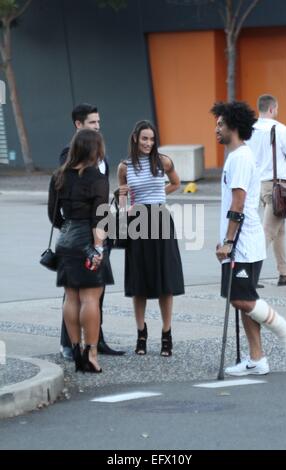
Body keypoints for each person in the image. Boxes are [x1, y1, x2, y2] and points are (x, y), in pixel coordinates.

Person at [211, 100, 286, 376]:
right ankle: (257, 359)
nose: (216, 128)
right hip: (243, 242)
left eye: (221, 124)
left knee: (241, 300)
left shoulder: (240, 157)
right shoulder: (236, 155)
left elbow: (238, 203)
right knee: (244, 299)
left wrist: (228, 241)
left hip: (243, 244)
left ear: (234, 126)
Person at [59, 103, 125, 359]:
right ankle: (70, 344)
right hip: (79, 235)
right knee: (74, 292)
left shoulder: (102, 156)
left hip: (100, 232)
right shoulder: (68, 154)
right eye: (91, 123)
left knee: (96, 292)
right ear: (78, 125)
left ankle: (96, 340)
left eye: (98, 122)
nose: (97, 127)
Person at [48, 129, 114, 373]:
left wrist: (68, 227)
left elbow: (53, 215)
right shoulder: (97, 178)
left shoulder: (59, 176)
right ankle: (92, 353)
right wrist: (98, 248)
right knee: (90, 298)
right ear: (95, 150)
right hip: (89, 241)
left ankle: (75, 350)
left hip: (65, 242)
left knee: (72, 297)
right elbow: (101, 218)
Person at [117, 120, 185, 357]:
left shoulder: (163, 161)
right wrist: (126, 207)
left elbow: (176, 183)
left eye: (152, 139)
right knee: (139, 282)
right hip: (137, 221)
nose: (148, 143)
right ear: (135, 138)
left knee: (165, 279)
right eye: (144, 138)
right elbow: (123, 196)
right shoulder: (124, 167)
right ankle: (141, 332)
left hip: (160, 218)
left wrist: (156, 194)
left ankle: (167, 334)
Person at [247, 94, 286, 287]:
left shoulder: (250, 129)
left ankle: (284, 274)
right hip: (278, 185)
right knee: (268, 231)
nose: (277, 112)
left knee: (279, 230)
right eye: (276, 109)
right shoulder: (279, 129)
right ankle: (249, 274)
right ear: (272, 109)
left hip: (260, 185)